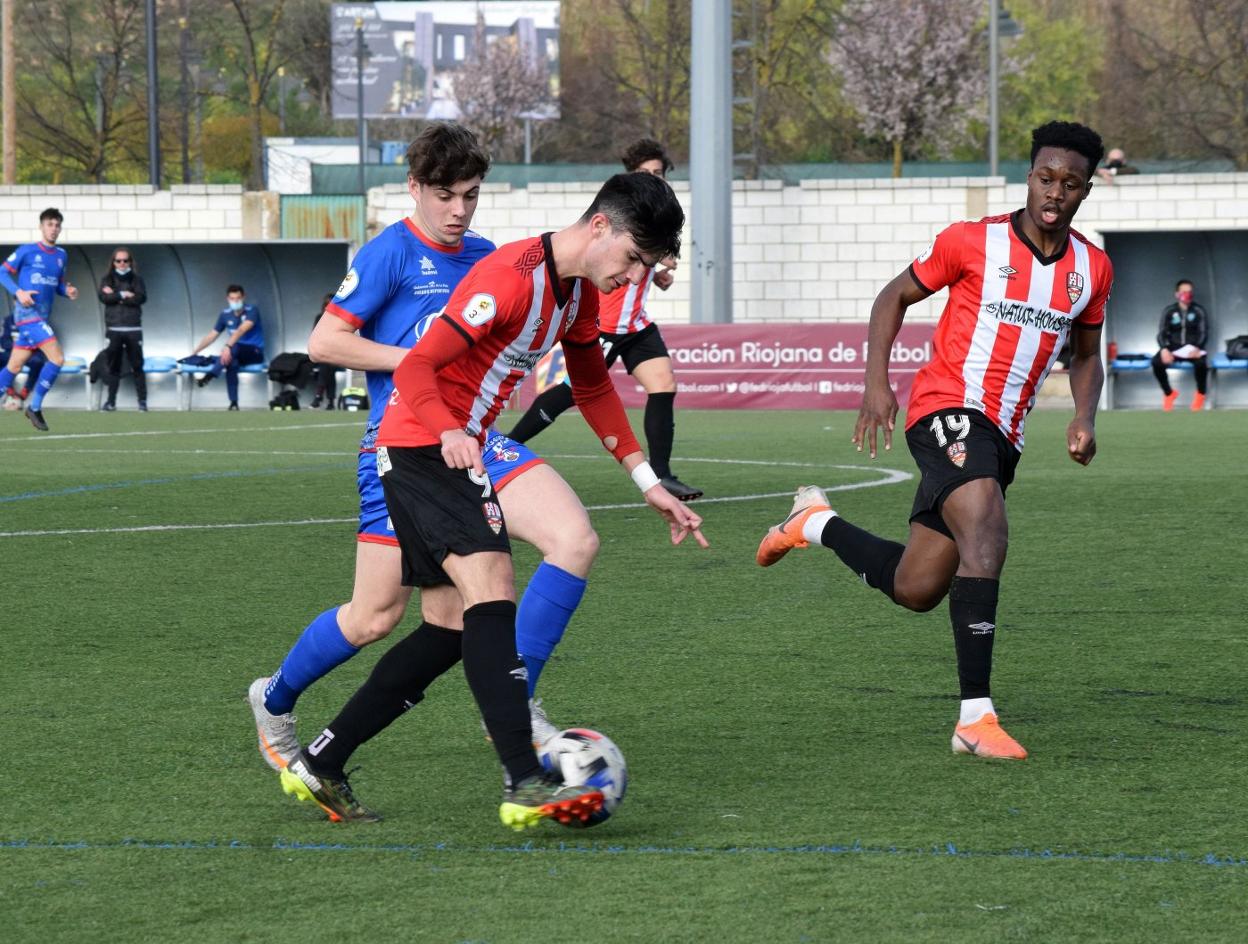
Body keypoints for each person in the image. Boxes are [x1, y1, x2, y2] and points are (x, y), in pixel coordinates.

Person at [278, 170, 707, 830]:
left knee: (450, 630)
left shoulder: (576, 295)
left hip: (452, 445)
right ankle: (524, 778)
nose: (634, 277)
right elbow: (419, 365)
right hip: (424, 443)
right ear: (601, 228)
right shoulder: (512, 276)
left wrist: (648, 483)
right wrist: (450, 429)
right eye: (633, 259)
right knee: (493, 590)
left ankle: (323, 760)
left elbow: (592, 390)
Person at [756, 121, 1114, 761]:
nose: (1054, 192)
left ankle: (814, 522)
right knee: (987, 531)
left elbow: (1086, 355)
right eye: (1044, 178)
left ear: (1086, 191)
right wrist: (876, 385)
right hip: (947, 406)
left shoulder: (1092, 268)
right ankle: (975, 717)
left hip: (1003, 436)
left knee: (917, 587)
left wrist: (1085, 415)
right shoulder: (971, 242)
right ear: (1028, 177)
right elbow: (893, 296)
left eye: (1069, 183)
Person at [506, 138, 702, 502]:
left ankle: (662, 473)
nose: (656, 178)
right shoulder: (623, 213)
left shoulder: (656, 215)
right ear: (633, 174)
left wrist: (657, 274)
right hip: (607, 323)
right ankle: (505, 445)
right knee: (573, 392)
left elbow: (637, 267)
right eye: (648, 173)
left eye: (660, 173)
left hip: (637, 324)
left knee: (663, 384)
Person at [0, 207, 79, 431]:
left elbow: (58, 285)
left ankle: (31, 406)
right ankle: (34, 407)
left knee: (14, 365)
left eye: (57, 225)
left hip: (40, 317)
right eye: (49, 224)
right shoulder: (27, 251)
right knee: (57, 358)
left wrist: (68, 291)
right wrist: (19, 292)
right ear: (41, 226)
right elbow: (2, 272)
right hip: (27, 316)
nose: (53, 229)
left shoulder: (62, 255)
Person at [189, 284, 265, 409]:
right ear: (227, 299)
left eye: (238, 298)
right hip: (234, 352)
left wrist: (227, 346)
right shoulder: (225, 314)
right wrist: (194, 352)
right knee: (231, 362)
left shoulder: (252, 310)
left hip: (254, 352)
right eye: (232, 298)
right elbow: (211, 336)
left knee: (234, 348)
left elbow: (241, 330)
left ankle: (210, 375)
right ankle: (233, 403)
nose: (235, 301)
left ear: (243, 297)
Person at [98, 247, 148, 411]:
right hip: (114, 329)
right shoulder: (107, 279)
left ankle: (142, 402)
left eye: (125, 260)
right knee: (114, 366)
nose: (122, 264)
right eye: (118, 261)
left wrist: (117, 296)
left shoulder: (137, 279)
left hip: (133, 329)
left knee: (137, 366)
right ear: (113, 263)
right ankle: (111, 402)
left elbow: (140, 298)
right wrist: (123, 295)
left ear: (130, 262)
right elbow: (104, 297)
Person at [1152, 279, 1208, 412]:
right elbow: (1161, 333)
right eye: (1184, 292)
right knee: (1156, 362)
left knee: (1202, 364)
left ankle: (1200, 394)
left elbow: (1204, 332)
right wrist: (1164, 348)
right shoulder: (1169, 311)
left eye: (1189, 292)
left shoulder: (1199, 310)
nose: (1187, 295)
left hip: (1193, 349)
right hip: (1174, 348)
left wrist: (1197, 347)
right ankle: (1169, 393)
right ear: (1177, 294)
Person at [1, 311, 47, 409]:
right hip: (12, 352)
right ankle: (9, 392)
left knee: (38, 361)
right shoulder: (9, 320)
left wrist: (25, 348)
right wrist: (18, 347)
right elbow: (4, 342)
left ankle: (25, 393)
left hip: (31, 353)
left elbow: (42, 342)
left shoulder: (38, 319)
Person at [310, 293, 339, 409]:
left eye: (331, 304)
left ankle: (318, 396)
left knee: (328, 366)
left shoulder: (340, 318)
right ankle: (330, 401)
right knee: (326, 365)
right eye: (326, 304)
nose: (328, 306)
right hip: (321, 352)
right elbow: (315, 335)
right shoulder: (319, 317)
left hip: (336, 353)